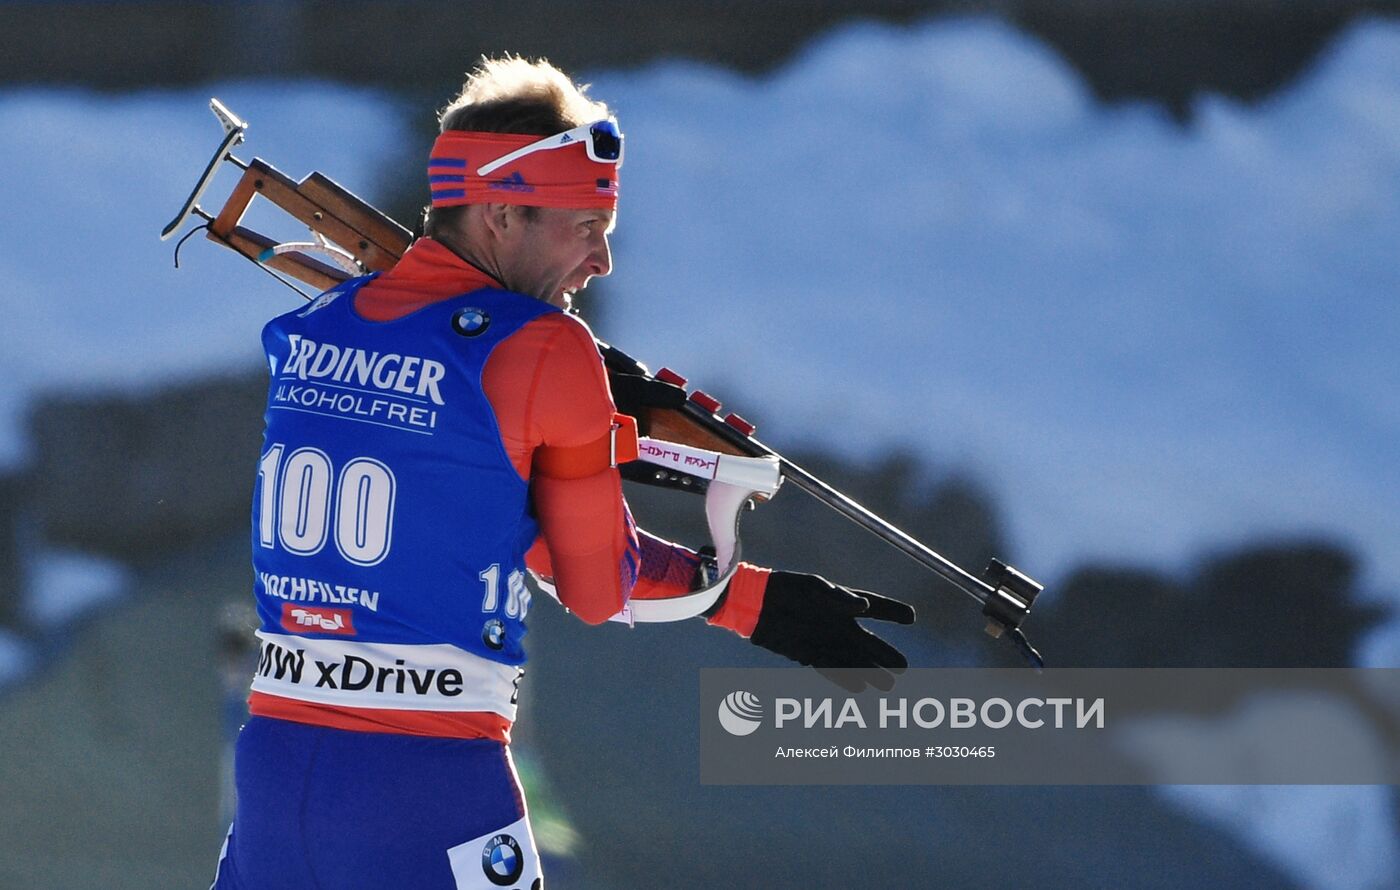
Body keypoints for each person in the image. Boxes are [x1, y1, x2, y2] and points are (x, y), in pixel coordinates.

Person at [211, 55, 914, 890]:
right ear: (504, 215)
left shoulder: (315, 322)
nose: (601, 260)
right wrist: (734, 588)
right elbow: (594, 585)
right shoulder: (547, 347)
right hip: (434, 786)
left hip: (275, 776)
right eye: (586, 226)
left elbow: (473, 523)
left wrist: (752, 601)